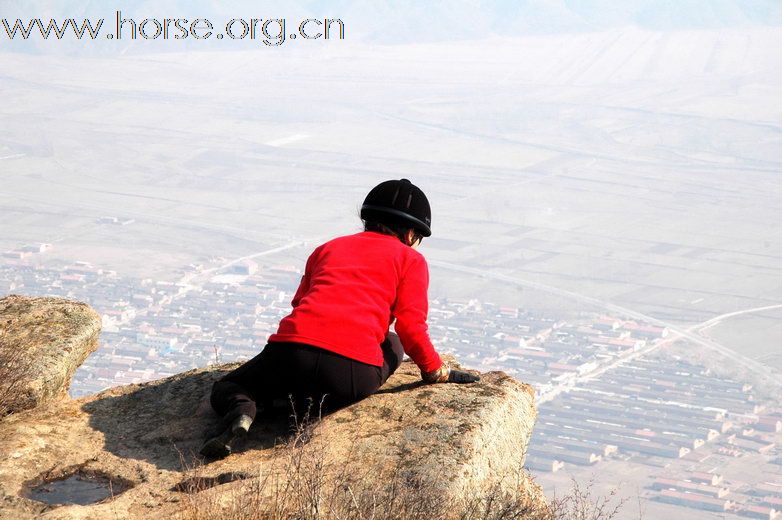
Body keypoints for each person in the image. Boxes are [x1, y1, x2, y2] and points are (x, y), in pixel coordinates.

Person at [200, 178, 480, 459]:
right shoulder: (410, 260)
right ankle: (293, 404)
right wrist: (435, 370)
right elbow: (411, 327)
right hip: (348, 376)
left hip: (289, 354)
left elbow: (299, 302)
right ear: (410, 234)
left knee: (227, 387)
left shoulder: (328, 248)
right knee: (393, 343)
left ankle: (244, 409)